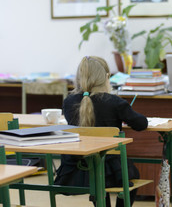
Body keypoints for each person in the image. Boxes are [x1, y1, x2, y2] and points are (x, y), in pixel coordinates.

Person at [54, 56, 148, 207]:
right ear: (106, 78)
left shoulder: (68, 102)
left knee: (98, 178)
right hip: (111, 171)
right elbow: (141, 124)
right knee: (130, 175)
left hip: (76, 170)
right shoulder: (115, 102)